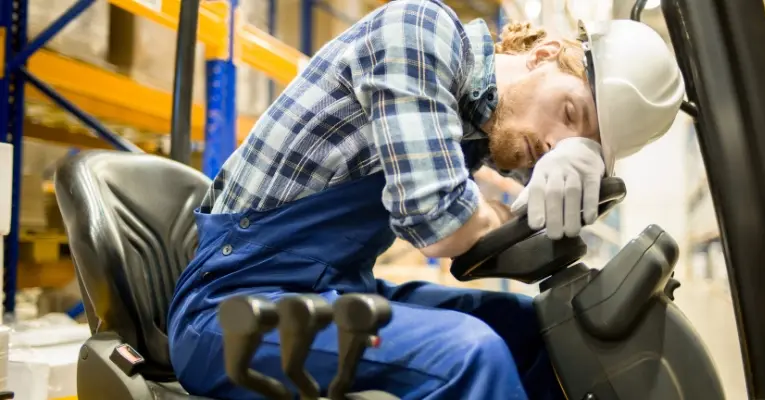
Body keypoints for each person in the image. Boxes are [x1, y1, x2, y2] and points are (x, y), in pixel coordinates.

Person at [167, 0, 685, 399]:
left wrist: (574, 159)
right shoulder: (419, 31)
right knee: (470, 354)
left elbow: (509, 223)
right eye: (569, 112)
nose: (554, 144)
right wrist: (493, 210)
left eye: (575, 142)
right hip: (230, 311)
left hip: (334, 291)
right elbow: (440, 224)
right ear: (544, 55)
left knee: (532, 330)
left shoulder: (479, 130)